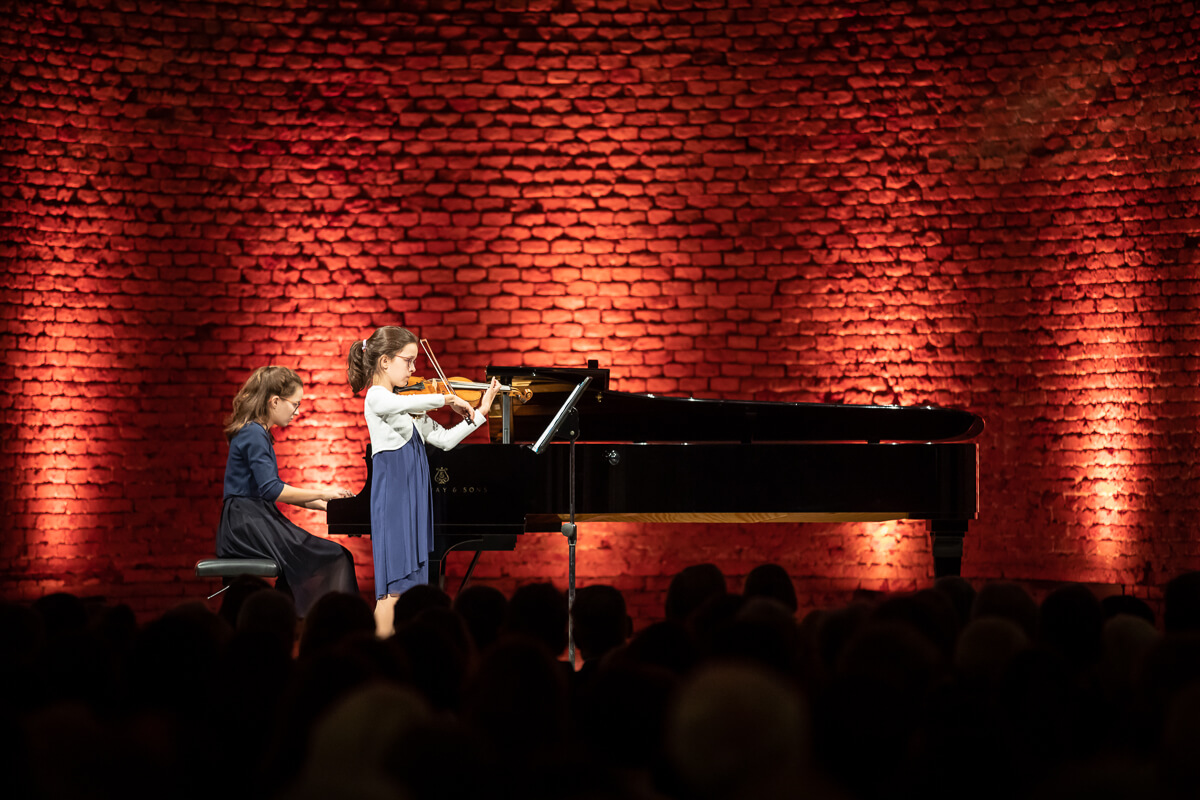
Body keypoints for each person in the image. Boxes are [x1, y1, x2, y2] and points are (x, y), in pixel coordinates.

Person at [347, 327, 500, 637]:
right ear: (386, 362)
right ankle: (380, 658)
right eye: (409, 361)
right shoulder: (377, 397)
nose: (415, 370)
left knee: (409, 587)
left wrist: (480, 412)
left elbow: (443, 440)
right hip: (394, 497)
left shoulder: (409, 405)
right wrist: (445, 398)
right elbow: (393, 405)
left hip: (413, 494)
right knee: (393, 589)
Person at [217, 366, 359, 617]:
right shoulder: (254, 433)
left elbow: (270, 491)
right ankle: (328, 624)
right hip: (248, 524)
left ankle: (287, 616)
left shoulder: (256, 432)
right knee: (337, 556)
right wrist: (324, 493)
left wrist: (327, 504)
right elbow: (272, 490)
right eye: (294, 404)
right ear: (274, 401)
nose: (297, 411)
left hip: (249, 519)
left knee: (328, 556)